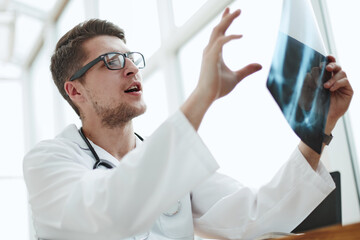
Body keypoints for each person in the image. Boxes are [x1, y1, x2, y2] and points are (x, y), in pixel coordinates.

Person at [23, 8, 353, 240]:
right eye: (110, 61)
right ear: (75, 89)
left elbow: (253, 219)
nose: (131, 69)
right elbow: (110, 212)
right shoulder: (49, 163)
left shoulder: (169, 158)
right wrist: (203, 94)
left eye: (131, 58)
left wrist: (319, 129)